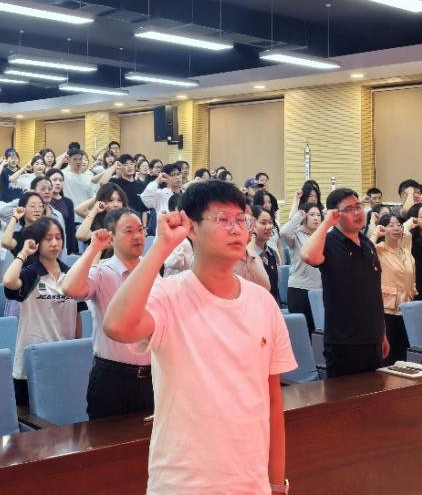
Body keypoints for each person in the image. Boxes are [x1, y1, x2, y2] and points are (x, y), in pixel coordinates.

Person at [102, 180, 295, 495]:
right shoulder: (168, 294)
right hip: (182, 483)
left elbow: (273, 400)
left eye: (241, 220)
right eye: (222, 219)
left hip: (250, 482)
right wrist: (161, 247)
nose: (236, 229)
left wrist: (276, 483)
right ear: (191, 228)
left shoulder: (263, 303)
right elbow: (117, 326)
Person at [61, 208, 154, 420]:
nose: (138, 236)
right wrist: (94, 248)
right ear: (111, 238)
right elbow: (70, 288)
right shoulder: (103, 272)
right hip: (113, 378)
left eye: (140, 229)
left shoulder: (151, 272)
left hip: (152, 376)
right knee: (105, 438)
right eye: (129, 231)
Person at [301, 188, 388, 378]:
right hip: (344, 343)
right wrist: (326, 223)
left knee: (375, 393)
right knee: (345, 396)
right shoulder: (329, 242)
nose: (357, 212)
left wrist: (381, 332)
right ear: (336, 215)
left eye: (358, 206)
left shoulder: (367, 244)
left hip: (372, 338)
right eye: (349, 209)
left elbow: (374, 292)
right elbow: (308, 255)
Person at [2, 218, 80, 407]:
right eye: (48, 238)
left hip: (63, 357)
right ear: (37, 242)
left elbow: (78, 314)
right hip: (32, 360)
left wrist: (76, 350)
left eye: (58, 238)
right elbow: (9, 282)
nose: (54, 243)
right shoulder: (31, 274)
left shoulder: (71, 274)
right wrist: (23, 254)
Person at [368, 213, 415, 365]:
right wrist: (375, 234)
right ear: (383, 229)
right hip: (387, 309)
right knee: (387, 355)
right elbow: (364, 254)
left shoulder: (406, 251)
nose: (396, 228)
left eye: (399, 225)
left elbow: (412, 278)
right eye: (391, 225)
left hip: (406, 308)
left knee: (403, 354)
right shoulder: (379, 249)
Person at [279, 199, 323, 333]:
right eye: (312, 215)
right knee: (303, 332)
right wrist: (299, 215)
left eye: (318, 215)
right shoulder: (296, 235)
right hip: (300, 289)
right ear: (305, 217)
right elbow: (284, 232)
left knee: (318, 331)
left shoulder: (322, 236)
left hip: (319, 289)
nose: (316, 218)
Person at [250, 205, 282, 304]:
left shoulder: (272, 253)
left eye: (270, 222)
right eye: (263, 223)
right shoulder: (247, 255)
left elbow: (276, 287)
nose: (268, 227)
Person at [47, 169, 78, 254]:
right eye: (54, 180)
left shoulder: (68, 202)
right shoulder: (44, 201)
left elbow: (71, 228)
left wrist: (72, 250)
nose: (58, 183)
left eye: (60, 180)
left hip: (64, 245)